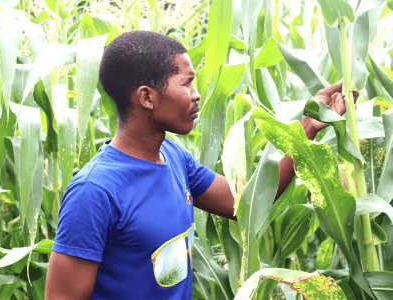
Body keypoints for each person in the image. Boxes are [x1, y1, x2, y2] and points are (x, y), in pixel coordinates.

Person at [45, 30, 358, 299]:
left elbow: (245, 202)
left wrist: (307, 128)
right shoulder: (95, 192)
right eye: (187, 84)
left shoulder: (173, 156)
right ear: (147, 97)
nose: (196, 96)